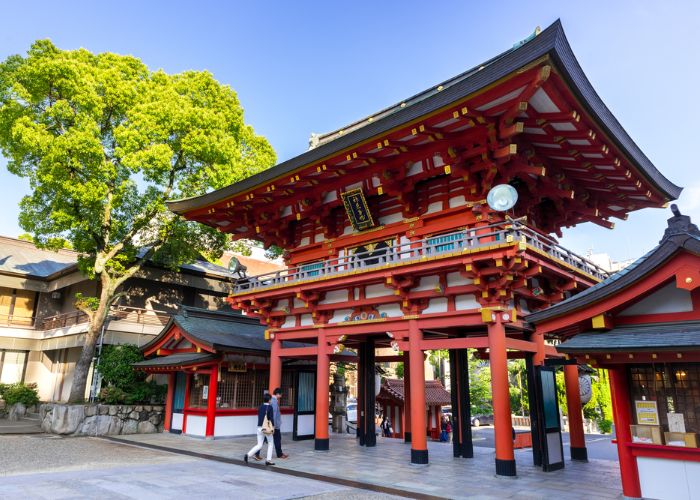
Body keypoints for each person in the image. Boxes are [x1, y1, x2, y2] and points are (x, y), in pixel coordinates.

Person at [255, 387, 289, 460]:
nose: (281, 396)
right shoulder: (274, 401)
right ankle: (279, 454)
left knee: (263, 439)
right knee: (277, 439)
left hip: (271, 425)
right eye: (281, 394)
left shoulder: (274, 401)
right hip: (273, 426)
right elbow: (273, 414)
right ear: (277, 394)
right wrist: (273, 426)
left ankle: (257, 454)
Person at [244, 393, 275, 466]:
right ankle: (268, 460)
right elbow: (271, 419)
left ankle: (248, 455)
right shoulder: (270, 407)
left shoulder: (260, 406)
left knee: (259, 444)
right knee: (270, 443)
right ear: (269, 400)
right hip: (266, 428)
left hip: (259, 427)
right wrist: (273, 427)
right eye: (270, 399)